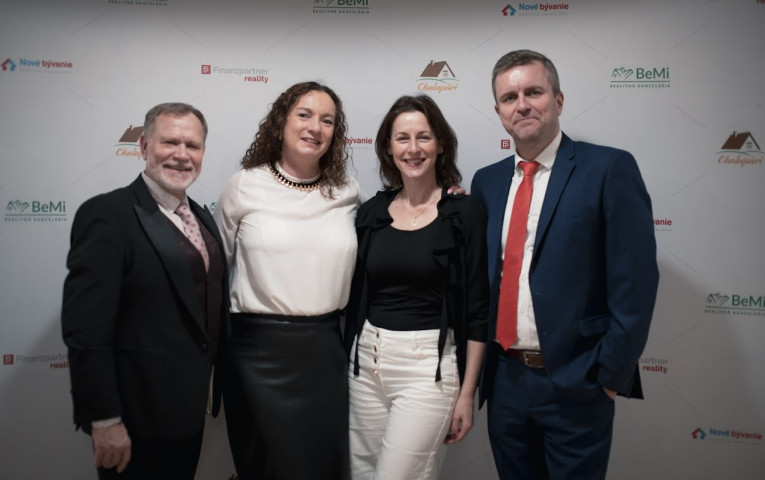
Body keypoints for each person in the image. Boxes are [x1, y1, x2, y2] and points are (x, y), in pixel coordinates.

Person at [471, 49, 660, 479]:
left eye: (534, 92)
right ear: (499, 112)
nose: (522, 105)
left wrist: (608, 376)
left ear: (558, 99)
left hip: (578, 381)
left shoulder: (609, 168)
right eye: (509, 97)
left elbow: (635, 283)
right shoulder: (487, 182)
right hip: (504, 382)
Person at [62, 102, 229, 479]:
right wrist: (104, 420)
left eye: (193, 145)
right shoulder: (108, 214)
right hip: (134, 421)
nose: (182, 155)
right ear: (143, 146)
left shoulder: (201, 216)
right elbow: (86, 331)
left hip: (189, 413)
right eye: (169, 142)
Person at [214, 81, 362, 480]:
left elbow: (396, 225)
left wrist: (441, 198)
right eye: (304, 114)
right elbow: (215, 271)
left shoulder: (348, 192)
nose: (315, 127)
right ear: (281, 122)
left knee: (325, 468)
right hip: (257, 359)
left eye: (327, 120)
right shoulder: (244, 185)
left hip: (326, 355)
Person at [344, 94, 489, 480]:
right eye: (402, 138)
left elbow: (478, 309)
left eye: (424, 137)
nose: (413, 148)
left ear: (440, 144)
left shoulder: (464, 213)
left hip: (428, 368)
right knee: (362, 474)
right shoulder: (371, 212)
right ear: (388, 148)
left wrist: (467, 393)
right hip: (366, 363)